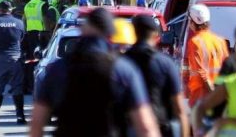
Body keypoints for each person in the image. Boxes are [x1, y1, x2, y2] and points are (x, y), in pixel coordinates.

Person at [30, 8, 161, 137]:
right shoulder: (123, 70)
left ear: (83, 30)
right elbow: (145, 126)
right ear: (111, 35)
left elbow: (37, 122)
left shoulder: (58, 68)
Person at [124, 14, 190, 137]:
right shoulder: (165, 63)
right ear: (155, 34)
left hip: (130, 128)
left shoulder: (122, 62)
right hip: (160, 129)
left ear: (134, 32)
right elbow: (180, 109)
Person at [0, 0, 27, 124]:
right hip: (15, 58)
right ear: (11, 10)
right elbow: (21, 38)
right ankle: (20, 117)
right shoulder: (19, 23)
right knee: (17, 88)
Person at [182, 4, 230, 107]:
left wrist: (212, 94)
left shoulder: (195, 42)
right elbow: (228, 67)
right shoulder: (220, 40)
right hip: (220, 92)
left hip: (201, 95)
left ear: (193, 21)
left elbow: (201, 73)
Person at [22, 0, 49, 94]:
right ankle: (36, 86)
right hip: (40, 35)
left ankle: (28, 85)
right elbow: (45, 19)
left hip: (29, 34)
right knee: (40, 60)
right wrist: (48, 33)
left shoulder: (28, 5)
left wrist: (26, 32)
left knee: (30, 60)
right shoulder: (43, 4)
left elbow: (24, 19)